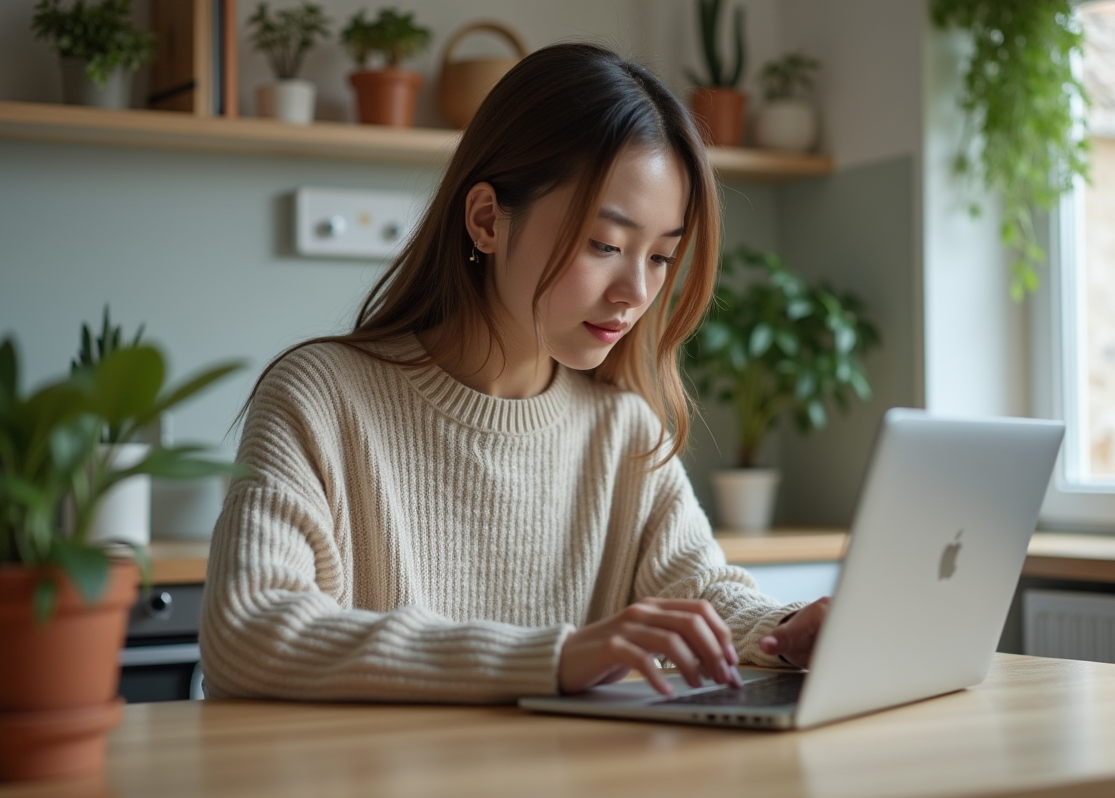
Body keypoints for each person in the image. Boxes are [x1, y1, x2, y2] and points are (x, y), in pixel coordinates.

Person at [200, 42, 829, 704]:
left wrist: (790, 631)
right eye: (606, 245)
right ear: (485, 220)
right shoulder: (320, 397)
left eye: (661, 257)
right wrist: (554, 657)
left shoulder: (622, 429)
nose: (634, 292)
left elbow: (700, 595)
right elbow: (249, 630)